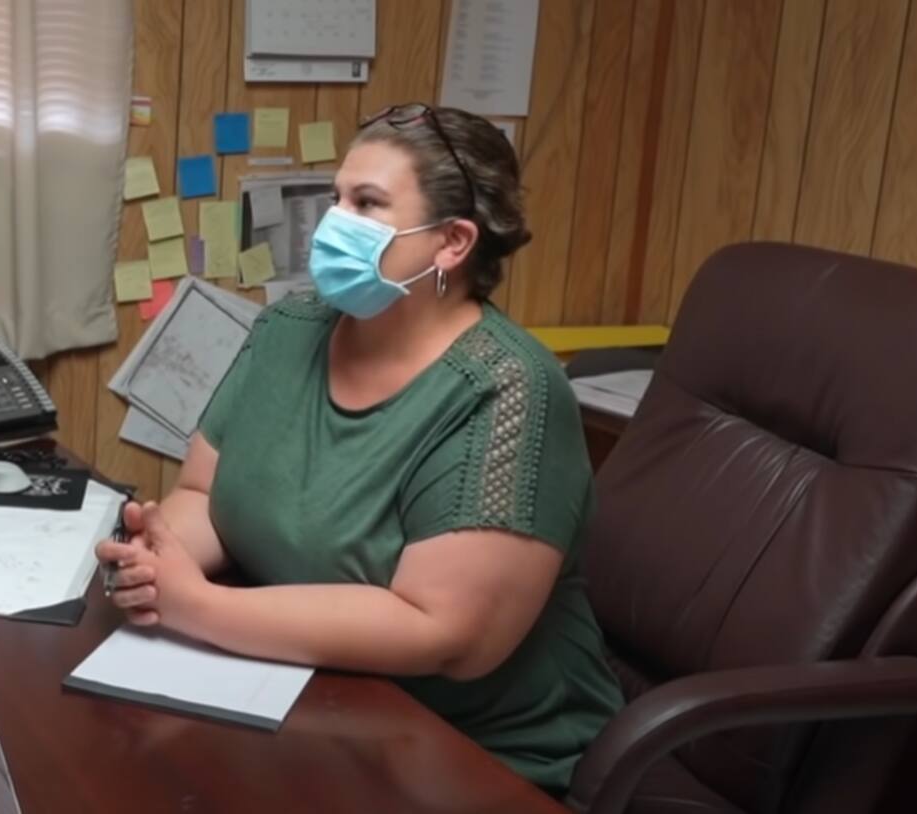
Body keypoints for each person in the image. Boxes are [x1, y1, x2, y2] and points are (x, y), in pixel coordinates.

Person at [96, 103, 623, 796]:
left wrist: (199, 607)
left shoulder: (510, 388)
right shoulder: (289, 328)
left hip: (471, 752)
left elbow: (445, 634)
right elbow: (204, 495)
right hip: (305, 695)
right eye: (336, 198)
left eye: (367, 204)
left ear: (452, 242)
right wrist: (158, 557)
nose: (331, 223)